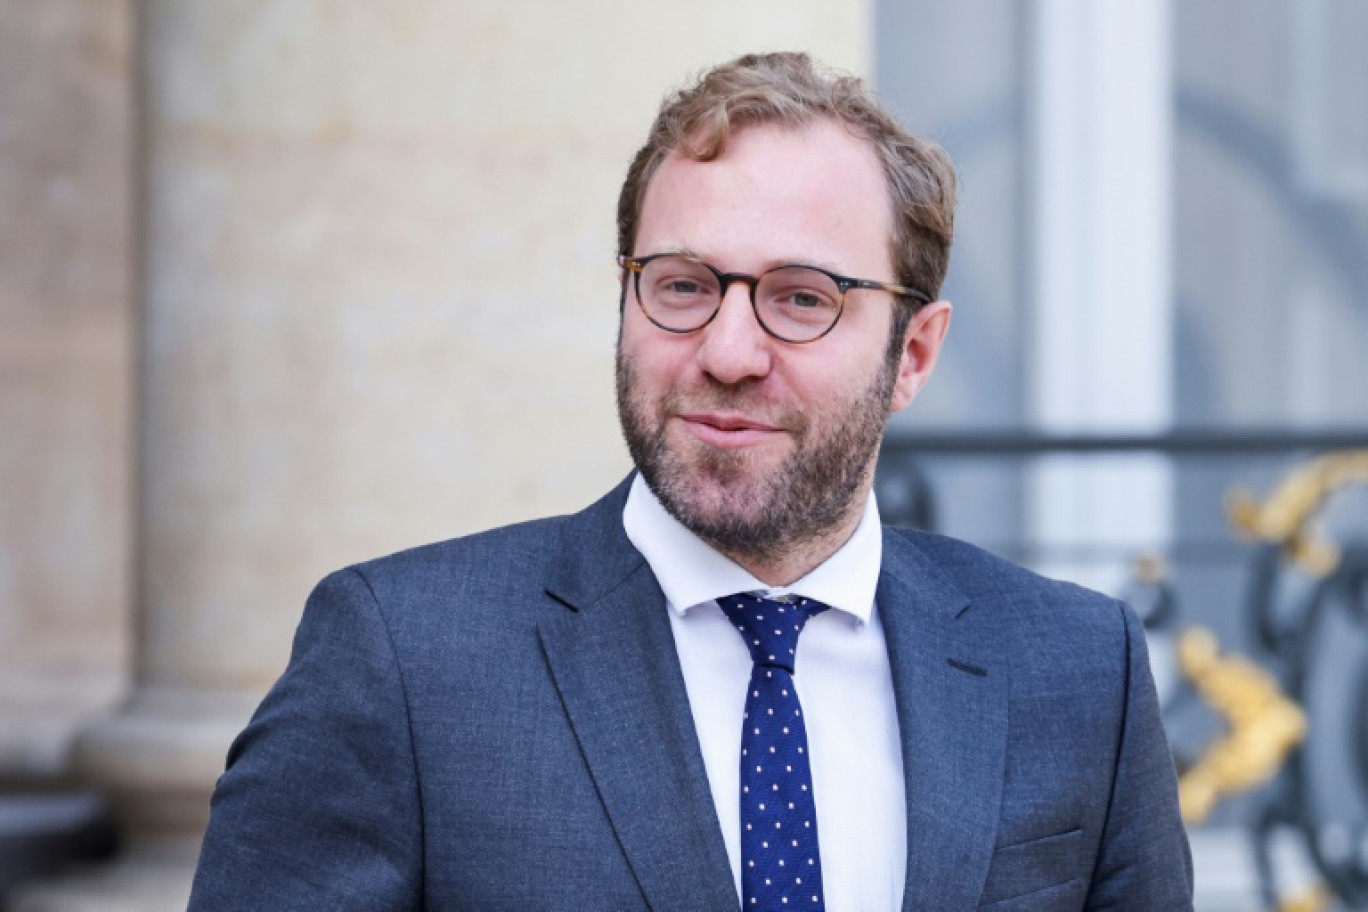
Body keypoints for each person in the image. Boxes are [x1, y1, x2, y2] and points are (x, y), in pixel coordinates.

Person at [189, 52, 1192, 911]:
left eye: (802, 298)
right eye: (683, 285)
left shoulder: (1076, 671)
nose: (728, 351)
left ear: (915, 353)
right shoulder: (400, 662)